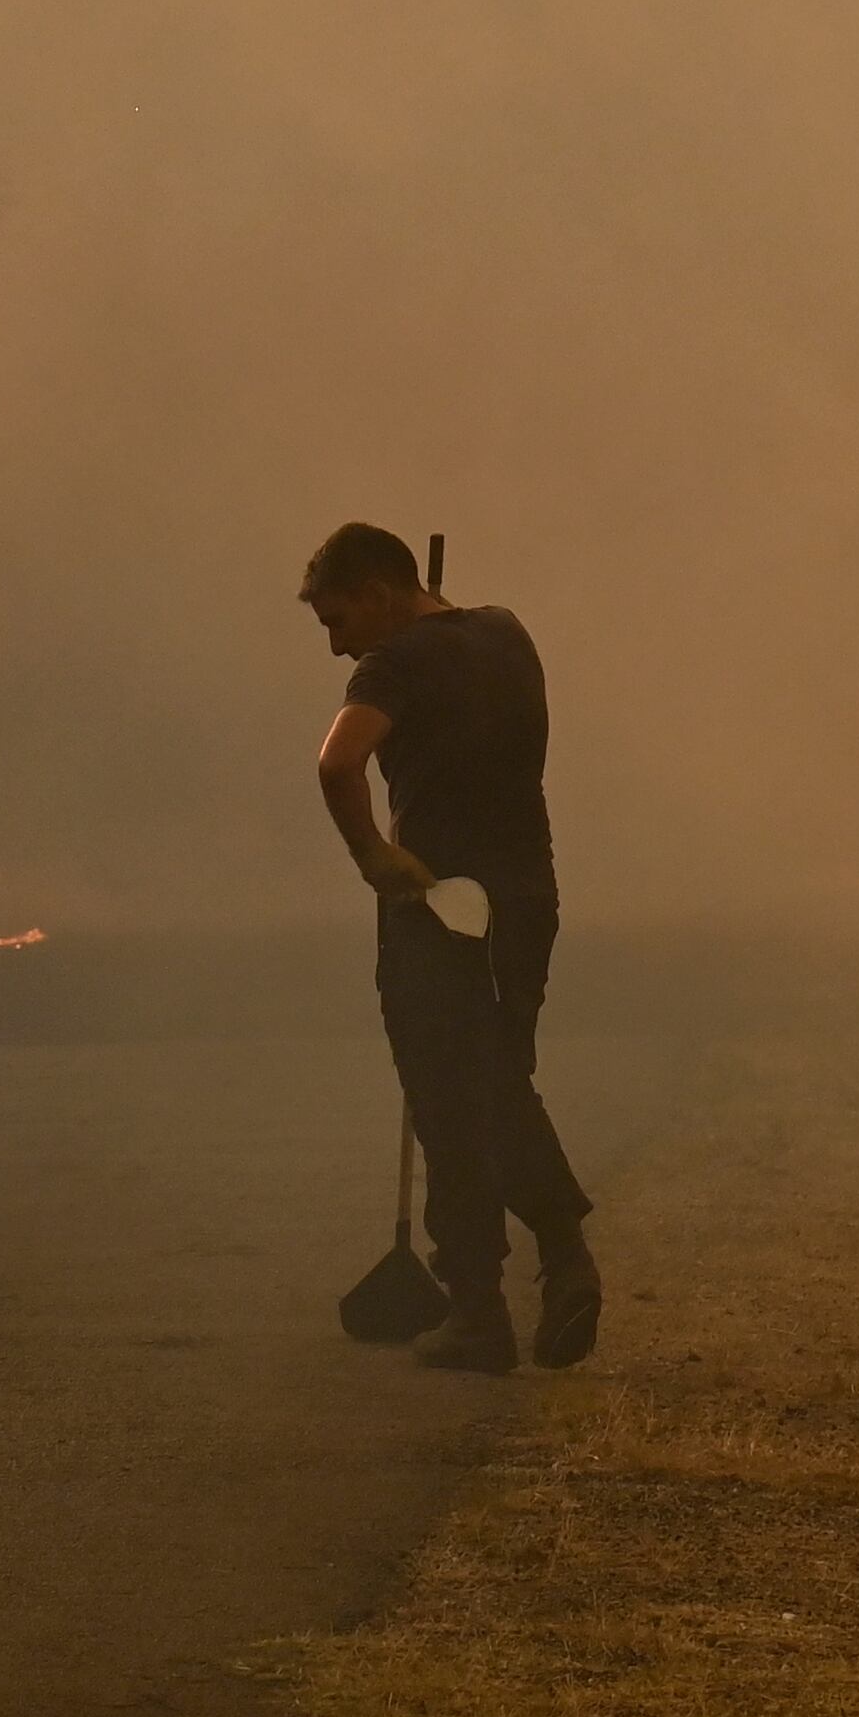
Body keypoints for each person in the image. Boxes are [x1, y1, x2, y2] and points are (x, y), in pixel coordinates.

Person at [300, 521, 598, 1372]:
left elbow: (336, 763)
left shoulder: (391, 665)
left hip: (439, 903)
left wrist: (372, 853)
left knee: (448, 1102)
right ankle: (565, 1258)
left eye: (336, 620)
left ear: (378, 591)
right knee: (501, 1079)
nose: (335, 646)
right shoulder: (507, 632)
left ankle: (478, 1310)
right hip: (526, 896)